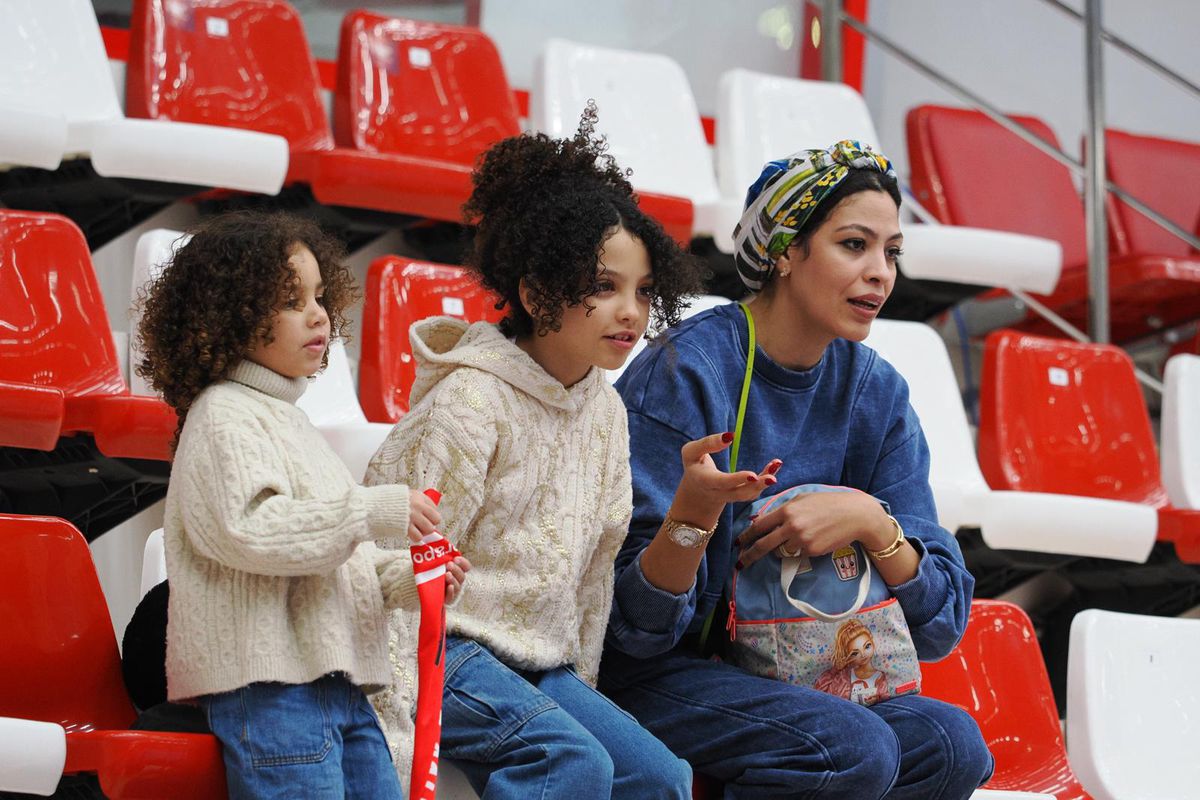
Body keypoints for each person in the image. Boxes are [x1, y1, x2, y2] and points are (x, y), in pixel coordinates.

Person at [365, 105, 755, 798]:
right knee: (571, 761)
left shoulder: (605, 409)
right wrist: (394, 724)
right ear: (537, 292)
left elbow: (595, 572)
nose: (630, 312)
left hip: (537, 661)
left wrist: (578, 691)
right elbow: (403, 567)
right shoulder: (470, 402)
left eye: (640, 290)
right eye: (603, 288)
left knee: (662, 777)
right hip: (442, 648)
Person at [599, 141, 994, 798]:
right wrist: (694, 519)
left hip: (805, 677)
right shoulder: (686, 371)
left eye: (891, 252)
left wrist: (872, 524)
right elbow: (633, 629)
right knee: (850, 747)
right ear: (784, 250)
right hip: (658, 674)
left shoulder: (878, 394)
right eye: (854, 245)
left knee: (950, 745)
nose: (880, 273)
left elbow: (942, 621)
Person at [136, 210, 468, 800]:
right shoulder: (223, 415)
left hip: (334, 686)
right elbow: (255, 531)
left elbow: (323, 558)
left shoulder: (290, 421)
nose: (318, 314)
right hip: (273, 693)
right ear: (230, 315)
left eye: (319, 295)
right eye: (291, 300)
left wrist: (408, 576)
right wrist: (373, 510)